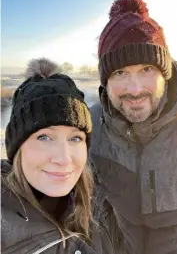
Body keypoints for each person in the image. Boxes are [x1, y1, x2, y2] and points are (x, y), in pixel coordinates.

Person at [89, 0, 177, 254]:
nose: (135, 89)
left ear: (165, 71)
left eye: (147, 69)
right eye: (119, 73)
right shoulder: (91, 124)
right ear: (105, 81)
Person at [1, 58, 116, 254]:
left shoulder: (100, 206)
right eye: (44, 137)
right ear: (17, 148)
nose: (64, 158)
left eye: (75, 139)